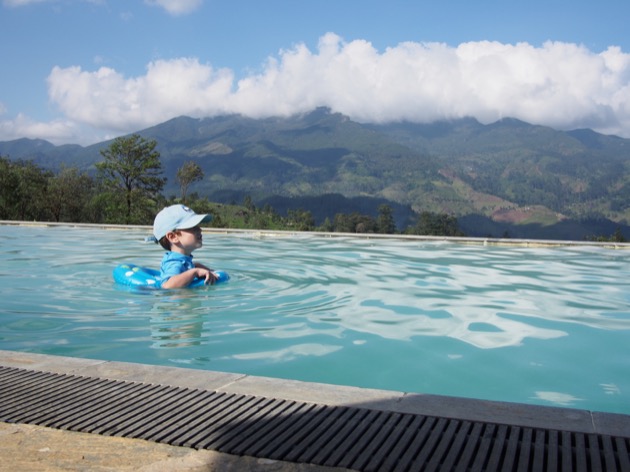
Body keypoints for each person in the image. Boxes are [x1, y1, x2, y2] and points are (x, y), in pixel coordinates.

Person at [153, 204, 218, 289]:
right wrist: (195, 272)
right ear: (173, 237)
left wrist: (197, 266)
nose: (199, 229)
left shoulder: (182, 260)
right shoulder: (174, 263)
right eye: (192, 227)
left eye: (197, 226)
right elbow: (167, 285)